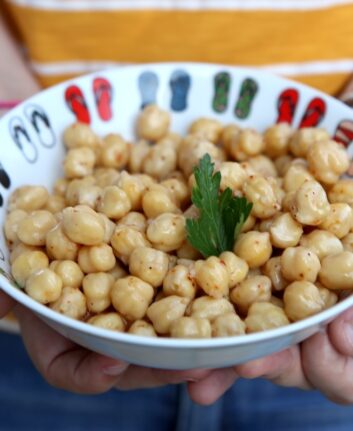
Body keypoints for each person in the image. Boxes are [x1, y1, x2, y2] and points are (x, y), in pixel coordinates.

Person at [1, 1, 353, 429]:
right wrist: (15, 115)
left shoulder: (293, 202)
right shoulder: (107, 212)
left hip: (315, 350)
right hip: (36, 343)